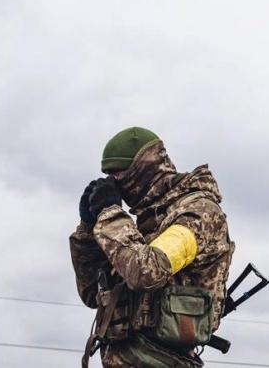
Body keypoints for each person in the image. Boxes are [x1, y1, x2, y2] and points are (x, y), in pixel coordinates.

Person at [70, 127, 235, 367]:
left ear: (142, 171)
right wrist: (88, 228)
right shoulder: (143, 227)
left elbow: (147, 272)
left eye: (119, 175)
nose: (115, 184)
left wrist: (111, 214)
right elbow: (91, 293)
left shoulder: (198, 213)